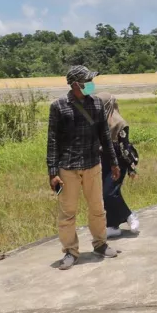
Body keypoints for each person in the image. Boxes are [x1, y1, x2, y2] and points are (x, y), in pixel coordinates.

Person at [47, 66, 120, 270]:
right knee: (67, 212)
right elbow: (52, 141)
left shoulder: (97, 104)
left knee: (97, 208)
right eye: (87, 81)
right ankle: (70, 251)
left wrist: (113, 162)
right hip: (67, 168)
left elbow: (105, 136)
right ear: (76, 84)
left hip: (92, 165)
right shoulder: (59, 107)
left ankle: (100, 244)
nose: (91, 85)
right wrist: (52, 173)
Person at [96, 93, 140, 238]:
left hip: (118, 162)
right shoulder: (97, 122)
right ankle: (112, 225)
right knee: (108, 193)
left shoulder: (119, 123)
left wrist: (131, 169)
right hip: (102, 162)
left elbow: (125, 147)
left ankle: (129, 215)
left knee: (108, 193)